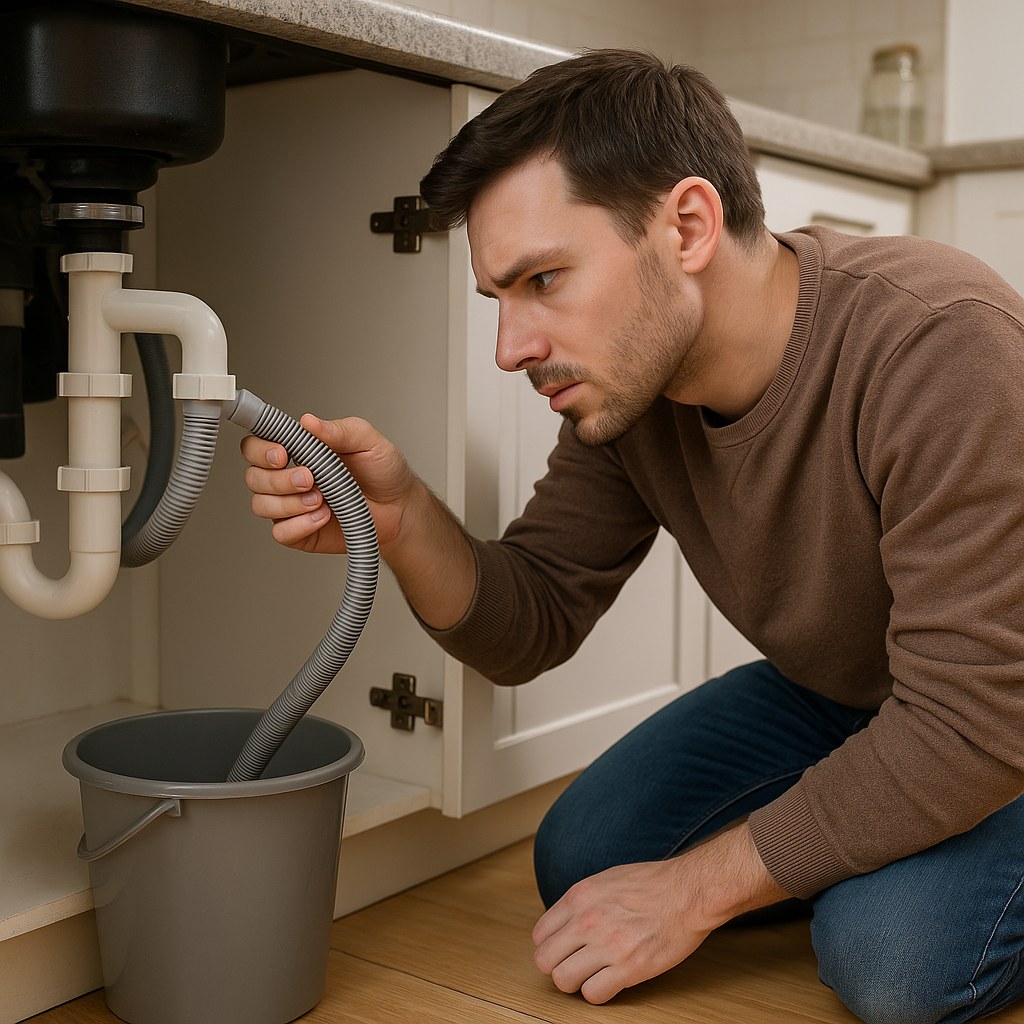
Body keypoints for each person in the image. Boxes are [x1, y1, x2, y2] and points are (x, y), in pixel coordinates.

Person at [241, 49, 1024, 1024]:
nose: (510, 348)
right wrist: (400, 521)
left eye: (544, 279)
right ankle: (879, 829)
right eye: (500, 299)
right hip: (857, 690)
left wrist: (695, 892)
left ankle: (893, 854)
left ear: (687, 226)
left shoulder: (938, 341)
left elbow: (977, 711)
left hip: (1000, 708)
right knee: (584, 852)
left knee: (894, 962)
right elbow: (532, 620)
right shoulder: (636, 393)